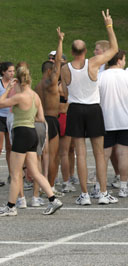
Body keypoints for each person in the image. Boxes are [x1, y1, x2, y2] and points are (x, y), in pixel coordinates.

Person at [60, 9, 118, 205]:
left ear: (73, 51)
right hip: (93, 108)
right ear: (84, 52)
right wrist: (108, 25)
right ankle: (102, 192)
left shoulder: (64, 69)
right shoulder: (92, 64)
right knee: (99, 153)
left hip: (75, 109)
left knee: (80, 153)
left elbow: (65, 93)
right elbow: (114, 49)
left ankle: (84, 194)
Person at [0, 66, 62, 217]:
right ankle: (53, 199)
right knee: (34, 171)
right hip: (32, 132)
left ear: (18, 81)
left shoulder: (19, 97)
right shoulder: (35, 96)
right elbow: (41, 118)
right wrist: (28, 117)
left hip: (21, 132)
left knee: (16, 173)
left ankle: (10, 206)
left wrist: (7, 89)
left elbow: (1, 103)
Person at [98, 49, 128, 198]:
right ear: (119, 60)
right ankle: (124, 186)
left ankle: (100, 186)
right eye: (123, 59)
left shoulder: (101, 76)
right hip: (124, 120)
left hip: (106, 120)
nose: (124, 62)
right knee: (123, 153)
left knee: (103, 155)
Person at [36, 27, 64, 195]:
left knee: (40, 157)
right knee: (53, 157)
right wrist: (60, 41)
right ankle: (51, 187)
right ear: (48, 70)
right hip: (52, 121)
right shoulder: (51, 82)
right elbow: (59, 61)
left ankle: (40, 188)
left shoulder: (37, 86)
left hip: (39, 121)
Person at [0, 62, 14, 183]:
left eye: (13, 71)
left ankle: (11, 174)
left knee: (10, 147)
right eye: (9, 71)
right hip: (0, 117)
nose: (12, 73)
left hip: (9, 117)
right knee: (0, 147)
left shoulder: (15, 84)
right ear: (3, 72)